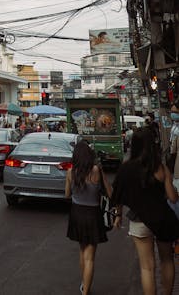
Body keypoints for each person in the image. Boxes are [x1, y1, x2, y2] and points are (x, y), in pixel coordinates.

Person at [111, 126, 179, 295]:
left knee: (147, 267)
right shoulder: (161, 168)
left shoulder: (126, 168)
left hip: (139, 220)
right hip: (163, 220)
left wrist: (118, 215)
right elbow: (173, 198)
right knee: (167, 260)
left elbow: (117, 195)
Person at [65, 140, 110, 295]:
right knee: (90, 257)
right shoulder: (97, 170)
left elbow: (67, 194)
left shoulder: (71, 172)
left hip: (77, 213)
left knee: (82, 250)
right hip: (92, 214)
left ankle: (84, 283)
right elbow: (110, 192)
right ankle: (85, 290)